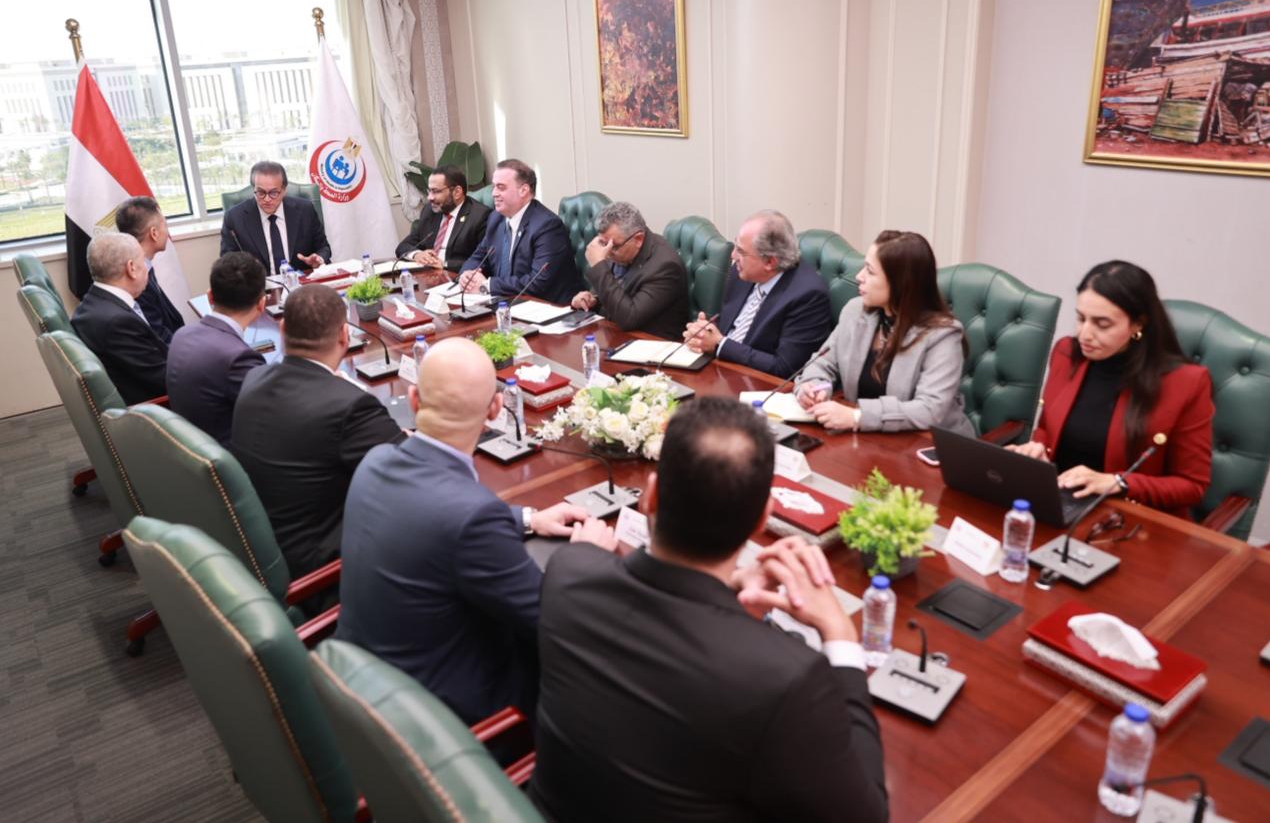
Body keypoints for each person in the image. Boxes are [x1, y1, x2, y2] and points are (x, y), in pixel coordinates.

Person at [529, 397, 887, 822]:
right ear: (762, 520)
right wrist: (841, 637)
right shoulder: (783, 678)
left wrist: (725, 587)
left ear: (650, 496)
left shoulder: (569, 574)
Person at [336, 337, 616, 725]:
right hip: (441, 722)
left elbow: (435, 518)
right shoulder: (472, 518)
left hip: (361, 690)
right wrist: (586, 558)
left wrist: (528, 519)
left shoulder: (376, 461)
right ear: (496, 409)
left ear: (414, 400)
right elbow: (554, 620)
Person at [1009, 260, 1213, 515]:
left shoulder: (1187, 382)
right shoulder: (1066, 353)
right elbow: (1047, 428)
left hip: (1128, 519)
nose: (1084, 334)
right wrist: (1038, 449)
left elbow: (1193, 486)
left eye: (1102, 324)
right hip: (1059, 503)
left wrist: (1118, 482)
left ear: (1138, 324)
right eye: (1081, 318)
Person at [231, 284, 403, 578]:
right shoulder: (350, 406)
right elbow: (411, 474)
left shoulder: (254, 378)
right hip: (324, 569)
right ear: (344, 335)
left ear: (282, 330)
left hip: (265, 546)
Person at [796, 230, 971, 435]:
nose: (859, 276)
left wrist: (857, 417)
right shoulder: (855, 311)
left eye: (870, 271)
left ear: (900, 282)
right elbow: (822, 363)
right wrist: (813, 387)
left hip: (928, 443)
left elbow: (929, 410)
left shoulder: (943, 335)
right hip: (868, 439)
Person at [682, 209, 831, 378]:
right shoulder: (741, 272)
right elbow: (729, 327)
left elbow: (785, 368)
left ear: (770, 262)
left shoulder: (808, 295)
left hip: (757, 383)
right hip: (720, 369)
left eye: (741, 251)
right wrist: (704, 333)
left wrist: (719, 344)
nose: (733, 256)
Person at [165, 253, 268, 446]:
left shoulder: (181, 335)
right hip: (232, 457)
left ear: (210, 296)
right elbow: (274, 416)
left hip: (191, 449)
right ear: (262, 304)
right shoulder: (239, 358)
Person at [457, 159, 581, 304]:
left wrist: (487, 286)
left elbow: (537, 282)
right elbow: (478, 257)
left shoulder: (547, 226)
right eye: (494, 187)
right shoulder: (496, 218)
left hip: (545, 306)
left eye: (501, 187)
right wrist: (467, 275)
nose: (494, 193)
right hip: (505, 302)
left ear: (523, 190)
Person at [70, 232, 169, 404]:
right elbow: (165, 380)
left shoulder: (92, 303)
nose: (147, 269)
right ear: (131, 268)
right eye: (143, 262)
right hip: (157, 409)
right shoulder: (118, 323)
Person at [569, 201, 689, 340]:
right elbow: (614, 292)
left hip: (650, 342)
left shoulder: (665, 266)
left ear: (638, 239)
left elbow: (628, 318)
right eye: (604, 244)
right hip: (615, 333)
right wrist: (592, 300)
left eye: (614, 247)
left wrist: (599, 266)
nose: (607, 253)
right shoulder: (621, 247)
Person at [219, 160, 330, 274]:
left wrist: (319, 259)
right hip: (260, 283)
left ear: (284, 190)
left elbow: (323, 248)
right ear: (254, 189)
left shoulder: (305, 210)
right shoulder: (235, 218)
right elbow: (228, 263)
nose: (267, 199)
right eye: (261, 192)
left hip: (301, 280)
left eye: (273, 193)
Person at [394, 164, 492, 272]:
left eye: (436, 191)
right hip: (427, 273)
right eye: (429, 191)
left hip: (455, 276)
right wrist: (417, 254)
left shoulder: (480, 216)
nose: (430, 197)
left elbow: (484, 261)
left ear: (457, 192)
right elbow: (404, 246)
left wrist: (444, 264)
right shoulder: (430, 211)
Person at [115, 195, 184, 344]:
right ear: (154, 233)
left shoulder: (142, 266)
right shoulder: (136, 281)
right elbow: (158, 335)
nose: (167, 231)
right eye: (165, 225)